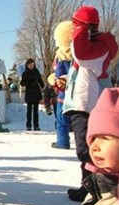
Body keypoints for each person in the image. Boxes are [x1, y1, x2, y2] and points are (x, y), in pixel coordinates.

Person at [62, 5, 118, 202]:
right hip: (81, 104)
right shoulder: (93, 47)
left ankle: (96, 187)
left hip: (87, 106)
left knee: (87, 150)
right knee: (85, 149)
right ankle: (88, 186)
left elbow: (81, 52)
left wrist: (80, 30)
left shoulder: (97, 48)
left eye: (75, 26)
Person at [52, 20, 73, 150]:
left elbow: (58, 74)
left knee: (62, 118)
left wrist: (53, 79)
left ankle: (62, 141)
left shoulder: (61, 54)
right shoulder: (79, 53)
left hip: (63, 92)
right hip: (78, 92)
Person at [20, 58, 44, 131]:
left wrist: (43, 87)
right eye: (30, 65)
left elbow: (40, 80)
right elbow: (22, 83)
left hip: (36, 92)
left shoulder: (36, 72)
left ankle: (36, 125)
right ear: (27, 65)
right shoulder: (25, 73)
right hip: (29, 93)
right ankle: (29, 125)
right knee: (29, 111)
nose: (32, 66)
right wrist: (28, 82)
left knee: (36, 111)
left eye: (33, 65)